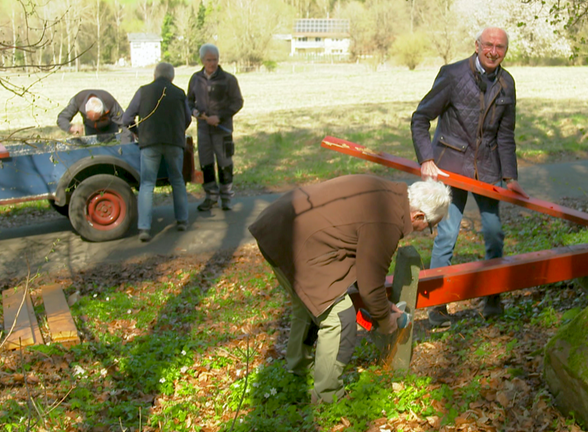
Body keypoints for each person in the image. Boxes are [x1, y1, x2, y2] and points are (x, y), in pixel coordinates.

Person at [249, 175, 451, 403]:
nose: (426, 231)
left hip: (278, 226)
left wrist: (382, 307)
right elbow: (370, 287)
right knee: (339, 317)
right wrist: (385, 321)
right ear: (419, 216)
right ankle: (328, 396)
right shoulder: (388, 220)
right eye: (430, 227)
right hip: (293, 240)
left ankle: (298, 368)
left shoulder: (389, 193)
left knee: (308, 306)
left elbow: (361, 264)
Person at [411, 27, 529, 327]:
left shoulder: (506, 83)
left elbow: (505, 134)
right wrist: (426, 159)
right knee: (447, 236)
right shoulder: (452, 75)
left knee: (494, 234)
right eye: (488, 45)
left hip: (487, 171)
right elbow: (420, 118)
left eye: (499, 47)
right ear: (476, 46)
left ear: (505, 50)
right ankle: (437, 307)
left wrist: (510, 177)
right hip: (449, 166)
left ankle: (492, 300)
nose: (493, 51)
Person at [122, 63, 191, 242]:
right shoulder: (179, 93)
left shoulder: (143, 91)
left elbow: (127, 118)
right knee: (177, 180)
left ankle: (144, 228)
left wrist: (138, 133)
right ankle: (182, 220)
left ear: (154, 75)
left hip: (149, 143)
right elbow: (188, 118)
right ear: (172, 77)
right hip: (174, 143)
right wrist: (178, 131)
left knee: (146, 184)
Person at [187, 43, 244, 212]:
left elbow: (238, 102)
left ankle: (226, 198)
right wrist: (195, 112)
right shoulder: (196, 79)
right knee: (206, 164)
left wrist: (219, 117)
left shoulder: (228, 79)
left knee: (225, 163)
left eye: (215, 59)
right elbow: (188, 101)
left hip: (223, 129)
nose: (212, 63)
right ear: (202, 60)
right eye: (209, 60)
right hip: (203, 130)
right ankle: (210, 196)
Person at [57, 89, 124, 136]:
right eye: (89, 117)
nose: (94, 120)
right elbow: (62, 118)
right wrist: (70, 128)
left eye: (97, 118)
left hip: (110, 130)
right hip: (90, 130)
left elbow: (124, 122)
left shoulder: (109, 101)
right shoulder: (79, 99)